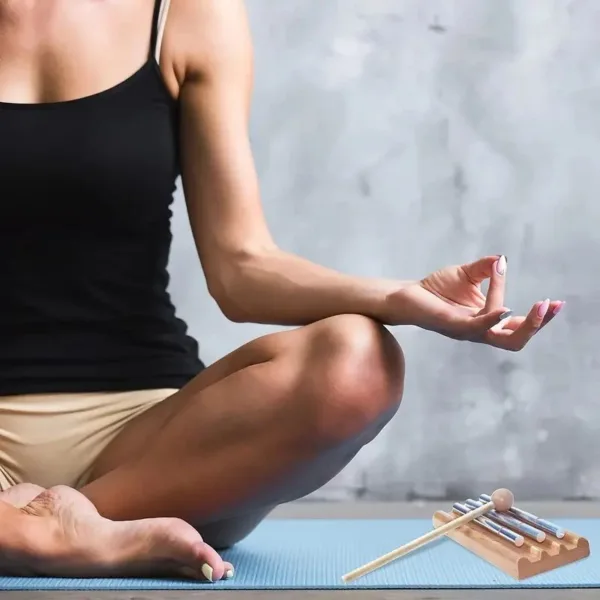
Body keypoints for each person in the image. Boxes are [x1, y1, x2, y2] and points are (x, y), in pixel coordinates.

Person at [0, 0, 563, 583]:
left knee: (358, 362)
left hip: (150, 446)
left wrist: (402, 297)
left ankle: (43, 531)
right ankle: (59, 537)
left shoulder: (187, 14)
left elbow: (243, 269)